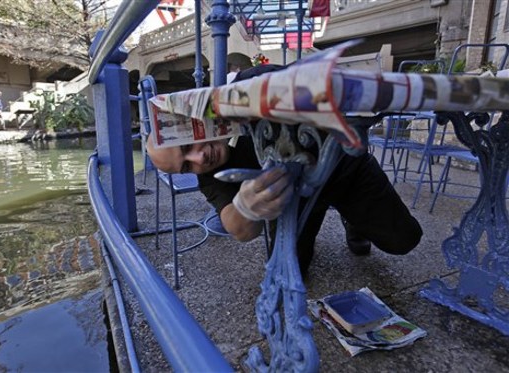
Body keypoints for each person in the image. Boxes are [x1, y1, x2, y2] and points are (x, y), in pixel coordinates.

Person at [146, 65, 423, 277]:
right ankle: (344, 217)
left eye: (186, 146)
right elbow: (237, 228)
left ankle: (353, 219)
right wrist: (246, 207)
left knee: (403, 241)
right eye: (186, 166)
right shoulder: (208, 175)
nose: (199, 158)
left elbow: (321, 87)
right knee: (288, 273)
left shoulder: (250, 85)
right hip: (296, 200)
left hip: (346, 170)